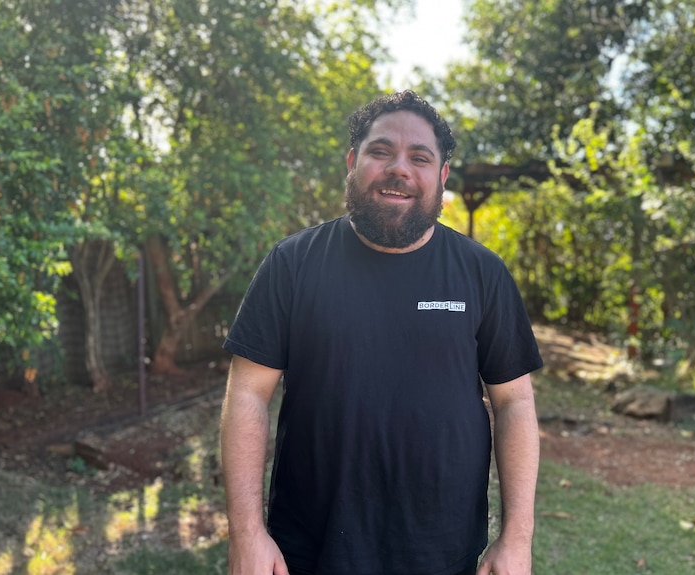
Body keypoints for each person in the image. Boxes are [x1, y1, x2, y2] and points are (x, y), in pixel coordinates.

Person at [220, 90, 543, 575]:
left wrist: (516, 538)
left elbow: (514, 402)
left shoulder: (482, 273)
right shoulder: (293, 264)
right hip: (310, 550)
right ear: (353, 162)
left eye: (419, 157)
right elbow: (247, 393)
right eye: (380, 151)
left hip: (444, 552)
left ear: (442, 175)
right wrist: (246, 534)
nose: (400, 169)